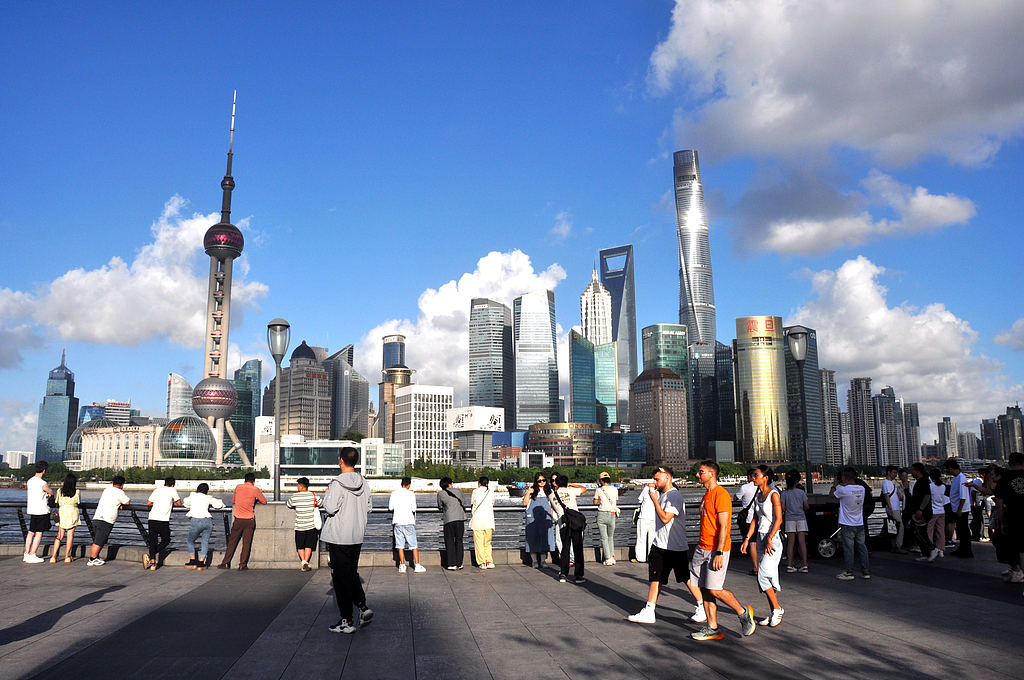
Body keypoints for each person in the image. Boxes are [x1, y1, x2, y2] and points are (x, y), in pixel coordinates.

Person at [627, 466, 706, 625]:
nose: (654, 482)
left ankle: (701, 606)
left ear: (667, 478)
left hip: (673, 546)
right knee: (657, 578)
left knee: (685, 578)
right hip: (661, 544)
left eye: (657, 479)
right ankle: (650, 610)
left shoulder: (673, 496)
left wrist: (654, 500)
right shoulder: (664, 495)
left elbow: (665, 518)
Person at [689, 460, 757, 641]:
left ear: (711, 474)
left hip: (716, 550)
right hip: (701, 548)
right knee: (704, 589)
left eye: (701, 472)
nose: (698, 475)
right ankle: (712, 627)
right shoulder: (706, 496)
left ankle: (743, 613)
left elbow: (724, 526)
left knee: (715, 589)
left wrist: (719, 552)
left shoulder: (721, 495)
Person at [321, 446, 374, 634]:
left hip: (338, 536)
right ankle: (362, 606)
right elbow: (369, 507)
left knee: (340, 579)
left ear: (341, 461)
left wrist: (327, 493)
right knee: (350, 573)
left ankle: (347, 621)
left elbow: (329, 508)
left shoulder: (336, 483)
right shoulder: (363, 482)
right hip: (356, 535)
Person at [742, 465, 784, 627]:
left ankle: (777, 609)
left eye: (756, 475)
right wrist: (747, 539)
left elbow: (779, 519)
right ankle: (774, 610)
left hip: (772, 540)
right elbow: (754, 520)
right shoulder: (759, 495)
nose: (753, 477)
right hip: (760, 538)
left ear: (765, 477)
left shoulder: (774, 495)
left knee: (763, 574)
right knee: (764, 578)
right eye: (753, 474)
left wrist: (770, 538)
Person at [218, 472, 267, 570]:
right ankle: (242, 564)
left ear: (244, 481)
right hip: (249, 520)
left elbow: (233, 501)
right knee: (246, 544)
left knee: (232, 542)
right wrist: (255, 501)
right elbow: (264, 501)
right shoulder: (255, 489)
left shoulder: (238, 487)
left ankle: (225, 563)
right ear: (253, 482)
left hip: (238, 519)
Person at [832, 467, 870, 580]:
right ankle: (866, 571)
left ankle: (849, 572)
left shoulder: (843, 490)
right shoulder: (862, 489)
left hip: (847, 523)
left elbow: (832, 495)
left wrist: (834, 485)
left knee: (849, 548)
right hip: (859, 522)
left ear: (844, 478)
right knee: (862, 547)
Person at [551, 474, 588, 584]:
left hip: (563, 524)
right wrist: (571, 485)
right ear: (566, 483)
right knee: (578, 549)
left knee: (565, 549)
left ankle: (563, 574)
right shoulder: (571, 491)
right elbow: (584, 489)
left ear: (556, 483)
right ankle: (578, 576)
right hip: (575, 523)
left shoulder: (552, 495)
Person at [995, 452, 1024, 587]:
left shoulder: (1004, 479)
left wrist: (1003, 522)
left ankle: (1017, 570)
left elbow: (999, 504)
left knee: (1012, 546)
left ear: (1010, 463)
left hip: (1013, 517)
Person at [88, 475, 130, 566]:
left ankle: (95, 558)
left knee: (97, 539)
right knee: (99, 540)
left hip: (97, 517)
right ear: (122, 485)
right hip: (107, 519)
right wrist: (121, 504)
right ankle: (92, 559)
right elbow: (127, 502)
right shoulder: (119, 492)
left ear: (113, 483)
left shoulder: (107, 490)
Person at [183, 482, 224, 570]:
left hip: (196, 521)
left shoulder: (193, 496)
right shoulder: (208, 497)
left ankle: (192, 560)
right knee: (204, 542)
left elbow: (186, 502)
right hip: (207, 521)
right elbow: (218, 504)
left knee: (190, 541)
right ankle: (201, 562)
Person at [388, 477, 425, 573]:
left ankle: (402, 565)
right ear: (409, 485)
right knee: (413, 544)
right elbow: (414, 508)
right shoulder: (411, 494)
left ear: (401, 484)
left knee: (400, 545)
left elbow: (390, 507)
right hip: (408, 521)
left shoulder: (394, 493)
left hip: (397, 521)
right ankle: (417, 565)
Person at [144, 476, 182, 570]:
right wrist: (170, 504)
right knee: (166, 540)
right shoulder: (172, 490)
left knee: (153, 540)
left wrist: (158, 503)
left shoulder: (157, 490)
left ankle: (152, 561)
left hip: (152, 518)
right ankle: (150, 556)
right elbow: (179, 503)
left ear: (164, 483)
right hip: (163, 519)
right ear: (173, 484)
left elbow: (149, 503)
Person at [286, 477, 320, 571]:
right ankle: (306, 562)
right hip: (311, 526)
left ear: (301, 486)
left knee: (300, 546)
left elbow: (289, 504)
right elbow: (320, 503)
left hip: (299, 526)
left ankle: (304, 562)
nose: (297, 487)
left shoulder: (295, 497)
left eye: (297, 485)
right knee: (308, 545)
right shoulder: (313, 496)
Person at [23, 461, 53, 563]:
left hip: (32, 510)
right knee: (39, 534)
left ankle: (26, 553)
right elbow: (50, 491)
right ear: (44, 470)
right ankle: (33, 554)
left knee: (30, 532)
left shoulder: (30, 481)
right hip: (41, 510)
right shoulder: (42, 483)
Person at [523, 472, 554, 569]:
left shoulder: (549, 491)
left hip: (545, 518)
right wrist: (528, 492)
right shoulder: (532, 491)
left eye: (543, 480)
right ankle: (534, 561)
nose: (542, 482)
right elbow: (525, 503)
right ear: (536, 481)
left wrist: (551, 516)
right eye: (539, 481)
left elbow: (552, 505)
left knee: (545, 538)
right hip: (532, 518)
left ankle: (543, 560)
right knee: (532, 538)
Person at [781, 470, 809, 573]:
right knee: (802, 542)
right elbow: (806, 506)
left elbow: (783, 508)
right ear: (797, 481)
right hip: (801, 517)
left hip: (789, 518)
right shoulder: (801, 492)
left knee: (791, 542)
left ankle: (790, 565)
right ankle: (805, 565)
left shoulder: (784, 493)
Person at [944, 459, 973, 557]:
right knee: (960, 530)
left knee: (964, 530)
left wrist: (960, 509)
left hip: (961, 509)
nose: (947, 471)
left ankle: (967, 551)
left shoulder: (961, 478)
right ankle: (962, 549)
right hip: (956, 508)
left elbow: (963, 496)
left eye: (948, 469)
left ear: (951, 468)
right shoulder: (956, 478)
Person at [918, 468, 948, 563]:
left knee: (929, 531)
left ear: (931, 476)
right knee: (940, 531)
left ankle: (931, 549)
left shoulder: (930, 486)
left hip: (932, 511)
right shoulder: (943, 486)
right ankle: (941, 549)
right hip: (941, 510)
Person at [50, 473, 80, 563]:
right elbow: (78, 502)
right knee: (70, 535)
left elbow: (57, 501)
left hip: (62, 514)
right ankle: (67, 556)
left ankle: (53, 556)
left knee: (59, 536)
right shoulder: (77, 492)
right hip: (72, 514)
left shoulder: (59, 491)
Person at [437, 477, 466, 570]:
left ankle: (451, 564)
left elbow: (440, 505)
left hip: (449, 519)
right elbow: (463, 502)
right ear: (450, 484)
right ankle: (459, 563)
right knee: (459, 541)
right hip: (460, 518)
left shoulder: (441, 493)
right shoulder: (458, 491)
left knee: (449, 541)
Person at [907, 462, 934, 557]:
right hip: (920, 511)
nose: (911, 473)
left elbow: (927, 496)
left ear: (917, 471)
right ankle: (926, 553)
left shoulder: (923, 481)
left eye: (912, 470)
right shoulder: (922, 481)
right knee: (919, 532)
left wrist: (920, 509)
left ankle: (931, 550)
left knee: (920, 532)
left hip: (922, 512)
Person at [734, 469, 758, 574]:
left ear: (749, 477)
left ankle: (756, 568)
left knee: (752, 543)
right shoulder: (762, 487)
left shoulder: (745, 487)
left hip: (749, 519)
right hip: (761, 519)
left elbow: (735, 498)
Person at [594, 471, 620, 565]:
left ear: (601, 480)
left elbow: (595, 502)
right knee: (610, 537)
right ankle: (612, 556)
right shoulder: (615, 489)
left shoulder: (599, 490)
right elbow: (615, 500)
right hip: (612, 514)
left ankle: (608, 558)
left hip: (602, 514)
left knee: (604, 538)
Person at [470, 476, 495, 569]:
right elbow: (492, 503)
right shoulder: (491, 492)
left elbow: (473, 503)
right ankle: (489, 561)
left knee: (479, 542)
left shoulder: (475, 491)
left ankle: (482, 562)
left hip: (478, 520)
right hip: (489, 520)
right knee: (487, 542)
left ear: (479, 483)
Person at [881, 465, 906, 553]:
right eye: (894, 473)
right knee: (900, 527)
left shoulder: (891, 483)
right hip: (893, 508)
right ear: (889, 472)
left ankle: (895, 546)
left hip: (895, 508)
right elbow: (886, 496)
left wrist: (901, 489)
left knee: (894, 527)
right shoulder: (886, 483)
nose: (895, 475)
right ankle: (898, 546)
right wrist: (890, 508)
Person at [633, 480, 656, 563]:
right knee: (652, 539)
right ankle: (652, 558)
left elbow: (640, 500)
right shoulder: (661, 491)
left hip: (643, 516)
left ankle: (640, 558)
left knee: (641, 538)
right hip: (655, 518)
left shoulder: (647, 489)